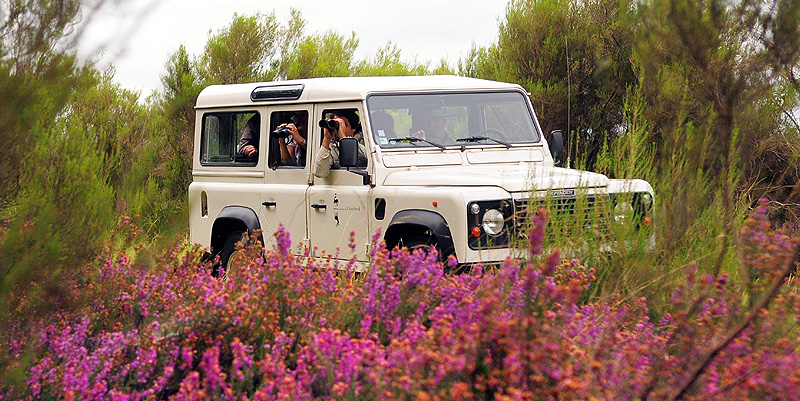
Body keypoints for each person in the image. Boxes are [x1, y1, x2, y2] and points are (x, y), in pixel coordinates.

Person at [314, 109, 368, 178]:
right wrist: (326, 139)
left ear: (353, 128)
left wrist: (344, 138)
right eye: (337, 124)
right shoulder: (331, 146)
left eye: (344, 125)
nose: (339, 128)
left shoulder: (366, 140)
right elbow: (320, 173)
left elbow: (367, 157)